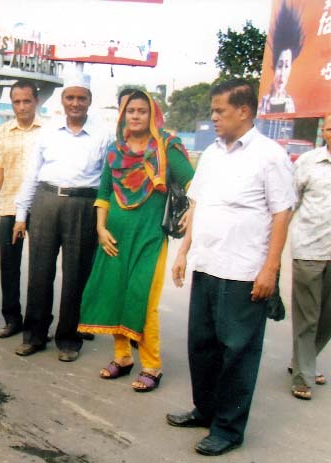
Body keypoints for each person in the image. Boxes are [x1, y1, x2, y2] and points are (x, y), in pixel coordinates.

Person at [167, 79, 295, 456]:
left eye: (220, 111)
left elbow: (281, 213)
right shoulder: (211, 154)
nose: (214, 117)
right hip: (207, 265)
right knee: (202, 347)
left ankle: (228, 428)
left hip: (243, 273)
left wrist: (270, 269)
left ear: (244, 111)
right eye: (212, 110)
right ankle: (205, 410)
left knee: (237, 352)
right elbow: (197, 207)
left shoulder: (270, 155)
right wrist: (183, 252)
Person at [78, 90, 194, 392]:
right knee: (116, 294)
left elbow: (195, 181)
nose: (136, 116)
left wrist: (194, 211)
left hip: (150, 237)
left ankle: (152, 365)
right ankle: (122, 357)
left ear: (153, 114)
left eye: (142, 110)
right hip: (114, 235)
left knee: (143, 300)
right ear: (123, 115)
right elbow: (103, 194)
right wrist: (101, 229)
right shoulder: (116, 151)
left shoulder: (166, 148)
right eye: (131, 111)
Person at [12, 74, 112, 362]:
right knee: (40, 272)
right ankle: (34, 336)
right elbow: (32, 174)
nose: (76, 103)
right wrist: (22, 214)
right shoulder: (48, 132)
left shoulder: (104, 135)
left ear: (90, 101)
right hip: (46, 202)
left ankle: (69, 338)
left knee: (76, 275)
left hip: (84, 205)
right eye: (70, 97)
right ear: (63, 100)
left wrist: (103, 220)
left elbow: (107, 181)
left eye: (81, 98)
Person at [0, 80, 43, 338]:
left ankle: (37, 324)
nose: (22, 106)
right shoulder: (3, 132)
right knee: (9, 267)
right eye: (17, 101)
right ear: (11, 103)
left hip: (41, 208)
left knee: (40, 269)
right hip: (9, 208)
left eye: (27, 101)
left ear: (36, 101)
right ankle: (12, 319)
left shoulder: (48, 131)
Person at [288, 113, 331, 400]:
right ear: (324, 132)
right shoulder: (309, 162)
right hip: (310, 250)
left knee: (327, 318)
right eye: (330, 126)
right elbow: (290, 202)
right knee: (308, 316)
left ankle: (304, 360)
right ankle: (303, 374)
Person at [258, 1, 304, 114]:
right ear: (274, 67)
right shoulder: (264, 102)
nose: (282, 73)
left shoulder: (289, 103)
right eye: (280, 65)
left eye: (287, 66)